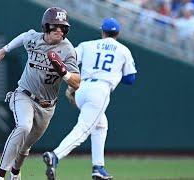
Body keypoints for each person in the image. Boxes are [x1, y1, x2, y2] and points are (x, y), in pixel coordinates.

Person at [0, 7, 80, 180]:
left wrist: (63, 71)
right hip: (25, 95)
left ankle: (15, 172)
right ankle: (0, 175)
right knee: (23, 126)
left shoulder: (68, 49)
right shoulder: (34, 39)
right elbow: (23, 36)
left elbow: (77, 81)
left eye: (63, 27)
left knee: (25, 147)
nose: (60, 30)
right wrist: (4, 50)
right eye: (56, 26)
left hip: (47, 106)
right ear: (46, 26)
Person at [43, 18, 137, 180]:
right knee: (84, 128)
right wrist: (114, 73)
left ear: (102, 31)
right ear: (118, 33)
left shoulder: (88, 45)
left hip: (81, 88)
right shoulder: (123, 50)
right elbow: (130, 79)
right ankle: (55, 156)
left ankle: (98, 168)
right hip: (100, 90)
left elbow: (68, 59)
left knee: (101, 125)